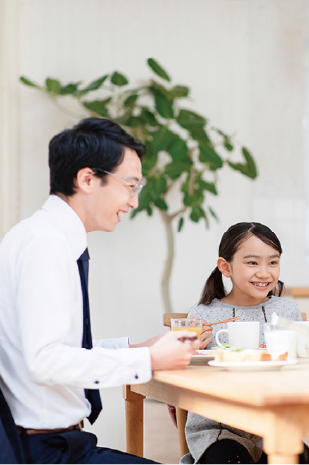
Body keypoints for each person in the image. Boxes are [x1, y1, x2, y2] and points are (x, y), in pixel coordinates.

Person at [0, 117, 202, 465]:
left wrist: (136, 349)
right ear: (88, 179)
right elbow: (44, 361)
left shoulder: (44, 236)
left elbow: (48, 348)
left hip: (57, 443)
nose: (134, 201)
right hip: (43, 452)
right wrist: (149, 360)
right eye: (130, 185)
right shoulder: (45, 244)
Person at [180, 222, 309, 465]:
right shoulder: (203, 315)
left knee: (291, 455)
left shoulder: (287, 309)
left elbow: (300, 368)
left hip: (274, 426)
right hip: (218, 430)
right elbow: (188, 380)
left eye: (273, 262)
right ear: (225, 267)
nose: (265, 273)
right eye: (252, 262)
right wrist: (189, 352)